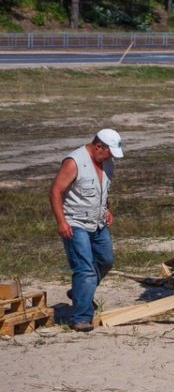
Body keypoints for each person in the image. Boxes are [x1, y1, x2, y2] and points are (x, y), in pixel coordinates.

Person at [49, 129, 125, 332]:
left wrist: (106, 209)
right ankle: (80, 317)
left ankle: (79, 293)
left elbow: (103, 190)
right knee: (85, 269)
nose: (110, 158)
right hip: (75, 223)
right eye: (109, 152)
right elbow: (55, 190)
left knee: (106, 261)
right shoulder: (74, 162)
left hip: (98, 222)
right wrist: (61, 222)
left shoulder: (108, 162)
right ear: (99, 146)